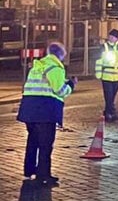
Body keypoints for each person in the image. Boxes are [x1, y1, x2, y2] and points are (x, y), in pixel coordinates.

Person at [16, 42, 76, 187]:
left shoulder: (37, 66)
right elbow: (59, 90)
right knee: (46, 145)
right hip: (45, 112)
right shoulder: (55, 68)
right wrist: (71, 85)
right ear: (60, 55)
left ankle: (29, 170)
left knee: (33, 142)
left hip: (29, 111)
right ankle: (43, 175)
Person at [95, 28, 118, 122]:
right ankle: (110, 114)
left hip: (117, 76)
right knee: (108, 96)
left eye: (113, 37)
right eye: (110, 36)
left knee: (113, 96)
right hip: (106, 76)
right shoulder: (104, 47)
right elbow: (99, 61)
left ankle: (108, 112)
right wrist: (98, 74)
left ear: (117, 38)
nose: (111, 38)